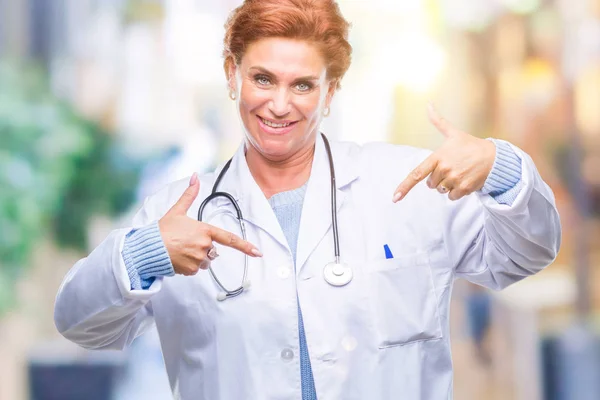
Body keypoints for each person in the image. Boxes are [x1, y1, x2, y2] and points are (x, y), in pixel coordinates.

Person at [54, 0, 561, 399]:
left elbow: (525, 255)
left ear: (330, 91)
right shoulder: (179, 210)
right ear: (232, 75)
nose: (279, 104)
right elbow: (80, 324)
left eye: (302, 85)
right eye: (262, 78)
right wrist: (144, 253)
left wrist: (503, 168)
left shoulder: (405, 183)